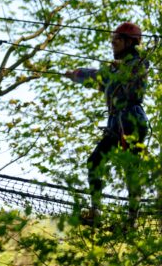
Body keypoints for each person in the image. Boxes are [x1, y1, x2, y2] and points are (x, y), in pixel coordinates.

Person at [64, 21, 149, 226]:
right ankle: (96, 212)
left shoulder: (137, 63)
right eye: (112, 40)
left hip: (131, 120)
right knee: (95, 162)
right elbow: (98, 76)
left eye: (117, 40)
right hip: (115, 124)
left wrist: (122, 67)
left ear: (130, 42)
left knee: (130, 167)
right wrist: (76, 74)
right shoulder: (115, 70)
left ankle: (132, 220)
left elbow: (137, 71)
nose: (113, 44)